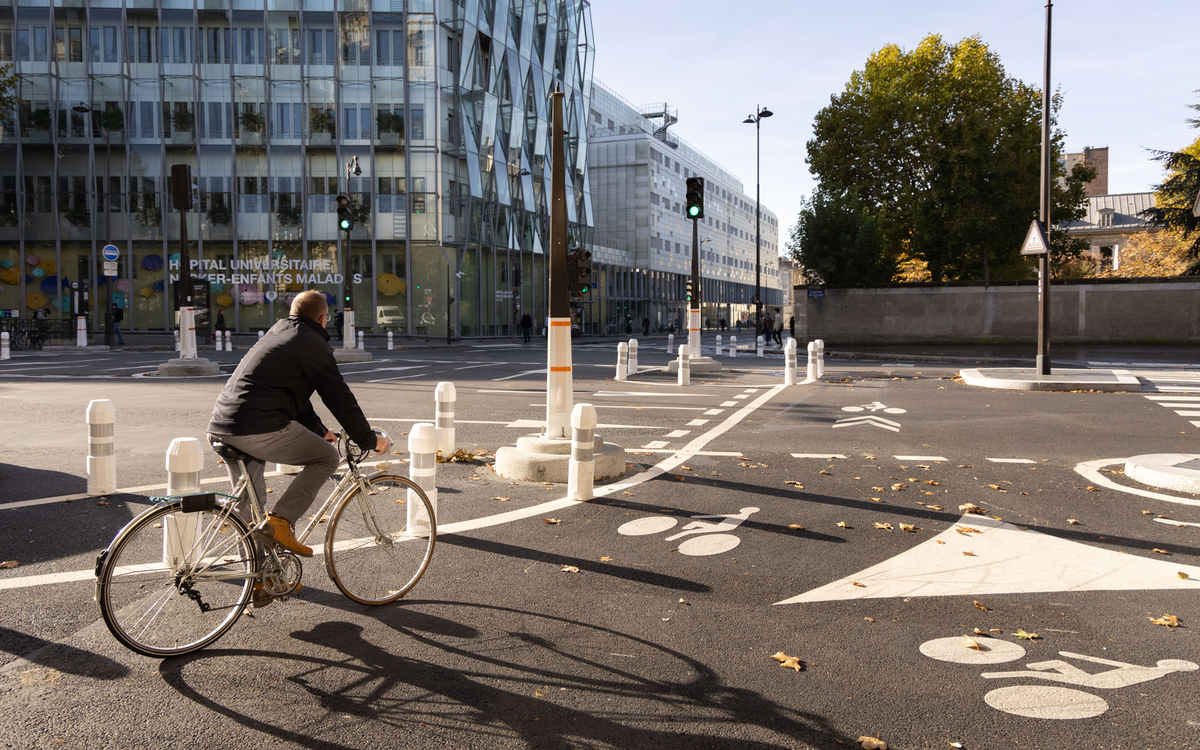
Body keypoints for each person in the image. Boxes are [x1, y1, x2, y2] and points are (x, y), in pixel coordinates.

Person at [206, 290, 390, 573]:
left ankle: (259, 577)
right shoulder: (312, 342)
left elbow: (292, 393)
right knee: (326, 458)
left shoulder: (277, 332)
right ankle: (281, 521)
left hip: (222, 425)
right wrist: (367, 439)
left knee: (249, 506)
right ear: (322, 318)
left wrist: (319, 430)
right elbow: (337, 394)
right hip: (258, 427)